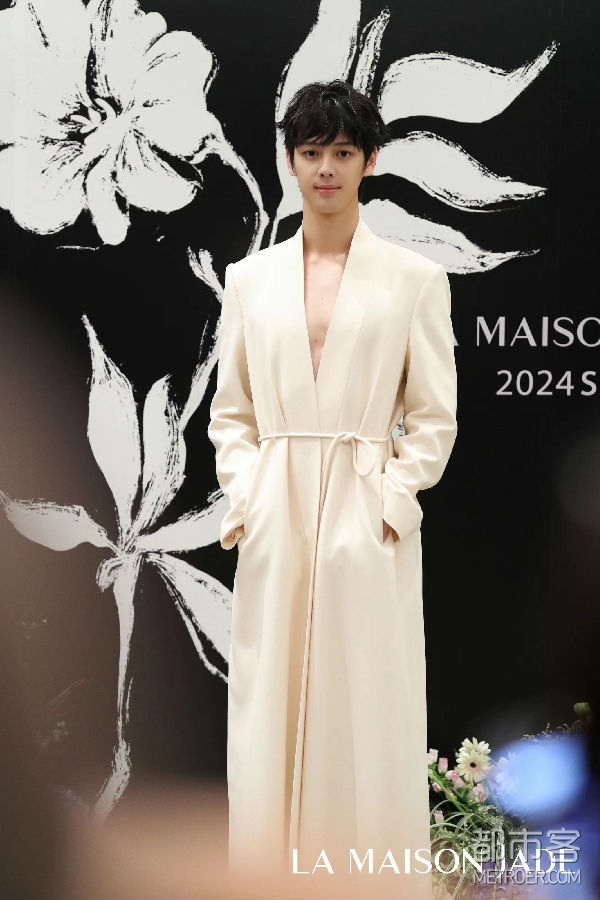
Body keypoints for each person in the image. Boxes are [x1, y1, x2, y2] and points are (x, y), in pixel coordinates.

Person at [207, 79, 457, 898]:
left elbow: (433, 417)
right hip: (276, 512)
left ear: (369, 161)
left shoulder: (415, 279)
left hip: (364, 510)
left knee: (372, 710)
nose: (326, 169)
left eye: (342, 152)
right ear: (290, 161)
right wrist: (250, 500)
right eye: (311, 152)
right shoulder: (250, 280)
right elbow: (231, 412)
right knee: (267, 712)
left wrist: (391, 503)